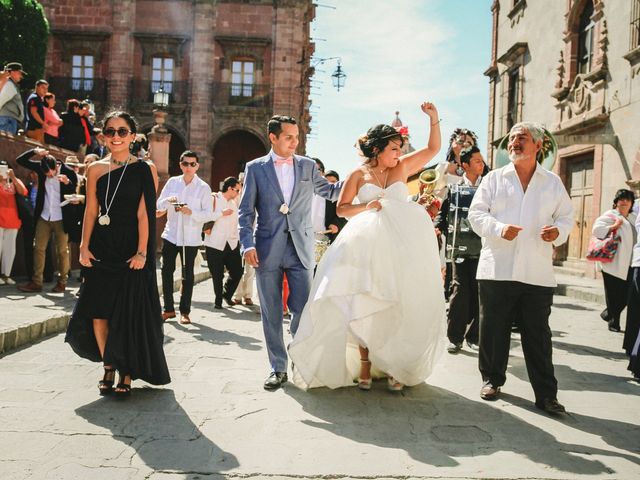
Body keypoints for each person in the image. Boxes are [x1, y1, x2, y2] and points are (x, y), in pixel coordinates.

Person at [289, 101, 445, 391]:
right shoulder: (358, 175)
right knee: (361, 300)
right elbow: (343, 209)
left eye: (400, 148)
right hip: (365, 243)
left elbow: (433, 150)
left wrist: (433, 118)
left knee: (398, 301)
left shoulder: (403, 167)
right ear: (377, 150)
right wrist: (367, 206)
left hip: (402, 244)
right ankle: (364, 363)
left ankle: (394, 365)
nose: (399, 154)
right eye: (394, 149)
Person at [468, 122, 573, 415]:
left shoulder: (552, 182)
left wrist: (558, 232)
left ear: (538, 146)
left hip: (536, 271)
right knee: (493, 330)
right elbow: (475, 215)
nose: (514, 143)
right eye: (512, 139)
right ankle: (491, 380)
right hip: (497, 268)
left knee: (538, 335)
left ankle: (546, 395)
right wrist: (500, 228)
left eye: (522, 138)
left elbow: (566, 217)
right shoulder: (493, 179)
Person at [65, 110, 170, 397]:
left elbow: (144, 215)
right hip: (102, 245)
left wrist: (142, 252)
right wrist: (84, 246)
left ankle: (126, 372)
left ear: (132, 136)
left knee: (126, 312)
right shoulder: (95, 169)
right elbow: (90, 212)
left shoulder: (145, 169)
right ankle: (108, 365)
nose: (115, 137)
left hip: (130, 247)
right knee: (98, 311)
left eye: (122, 131)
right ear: (103, 135)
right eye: (110, 131)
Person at [238, 115, 342, 390]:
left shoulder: (308, 166)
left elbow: (331, 192)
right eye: (289, 137)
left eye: (297, 137)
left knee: (303, 309)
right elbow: (245, 211)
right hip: (265, 249)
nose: (295, 142)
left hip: (301, 249)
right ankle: (277, 367)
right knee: (271, 311)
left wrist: (362, 177)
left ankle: (300, 355)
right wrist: (247, 244)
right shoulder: (255, 168)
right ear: (273, 137)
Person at [437, 146, 486, 354]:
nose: (481, 164)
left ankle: (474, 336)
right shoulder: (455, 189)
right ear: (465, 165)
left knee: (480, 291)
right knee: (459, 288)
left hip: (484, 248)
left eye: (482, 161)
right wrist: (437, 227)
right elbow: (444, 212)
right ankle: (454, 337)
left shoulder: (489, 186)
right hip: (459, 247)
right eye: (477, 161)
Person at [156, 150, 212, 324]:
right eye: (185, 164)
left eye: (192, 164)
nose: (189, 167)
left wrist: (191, 211)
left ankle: (185, 311)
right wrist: (169, 201)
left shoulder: (203, 187)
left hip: (191, 237)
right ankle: (168, 309)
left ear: (197, 166)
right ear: (180, 164)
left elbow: (208, 214)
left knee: (187, 275)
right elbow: (159, 204)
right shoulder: (172, 182)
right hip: (171, 233)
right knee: (166, 271)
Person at [17, 149, 78, 293]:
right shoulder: (40, 166)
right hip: (44, 215)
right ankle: (36, 282)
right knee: (38, 248)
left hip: (61, 217)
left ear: (57, 166)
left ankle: (62, 282)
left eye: (52, 172)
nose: (50, 175)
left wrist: (67, 182)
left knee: (62, 251)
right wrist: (34, 151)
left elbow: (75, 190)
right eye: (47, 174)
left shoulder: (68, 171)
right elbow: (20, 161)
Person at [592, 189, 636, 332]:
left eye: (627, 199)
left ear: (631, 203)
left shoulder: (634, 218)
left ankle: (608, 314)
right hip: (612, 262)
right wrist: (613, 227)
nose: (624, 202)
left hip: (630, 263)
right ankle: (613, 322)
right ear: (616, 202)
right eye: (621, 199)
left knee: (627, 294)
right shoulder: (611, 215)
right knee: (613, 294)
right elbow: (597, 230)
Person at [204, 176, 243, 309]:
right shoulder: (213, 198)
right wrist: (221, 213)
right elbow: (205, 216)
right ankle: (218, 300)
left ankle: (226, 294)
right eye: (237, 190)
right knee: (217, 274)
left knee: (238, 271)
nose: (238, 193)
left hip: (231, 243)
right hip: (214, 242)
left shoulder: (234, 203)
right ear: (230, 188)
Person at [0, 161, 28, 284]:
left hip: (13, 220)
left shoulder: (14, 180)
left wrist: (13, 178)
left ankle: (6, 275)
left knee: (10, 249)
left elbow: (23, 192)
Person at [0, 62, 26, 135]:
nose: (21, 76)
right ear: (11, 72)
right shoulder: (9, 85)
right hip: (7, 121)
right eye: (19, 73)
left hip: (6, 120)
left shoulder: (8, 84)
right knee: (4, 145)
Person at [25, 80, 49, 144]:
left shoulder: (38, 98)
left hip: (38, 129)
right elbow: (34, 112)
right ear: (37, 87)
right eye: (43, 87)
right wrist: (43, 123)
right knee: (36, 149)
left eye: (46, 88)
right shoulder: (35, 98)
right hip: (34, 129)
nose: (45, 90)